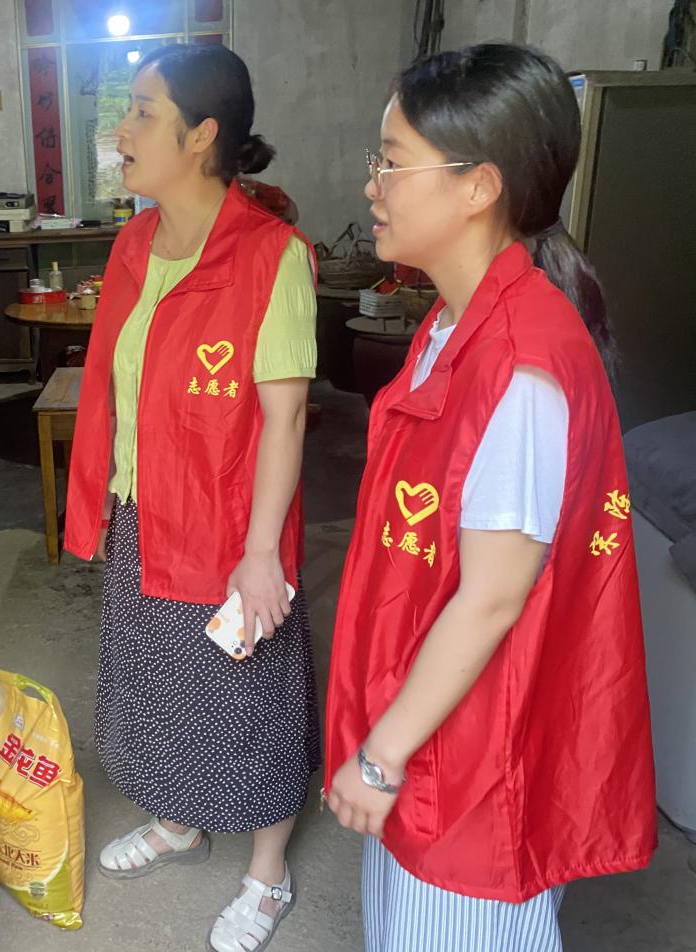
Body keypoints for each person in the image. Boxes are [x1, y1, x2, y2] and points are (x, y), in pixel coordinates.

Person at [323, 44, 657, 951]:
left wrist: (381, 758)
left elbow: (492, 597)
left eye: (392, 161)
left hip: (471, 760)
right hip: (427, 715)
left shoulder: (518, 364)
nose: (371, 186)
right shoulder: (453, 321)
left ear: (477, 186)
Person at [66, 44, 320, 952]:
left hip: (228, 526)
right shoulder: (133, 245)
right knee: (154, 683)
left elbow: (285, 420)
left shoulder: (272, 255)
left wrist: (261, 555)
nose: (122, 130)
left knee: (247, 698)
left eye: (142, 111)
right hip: (143, 510)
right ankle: (178, 820)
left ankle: (267, 875)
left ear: (202, 134)